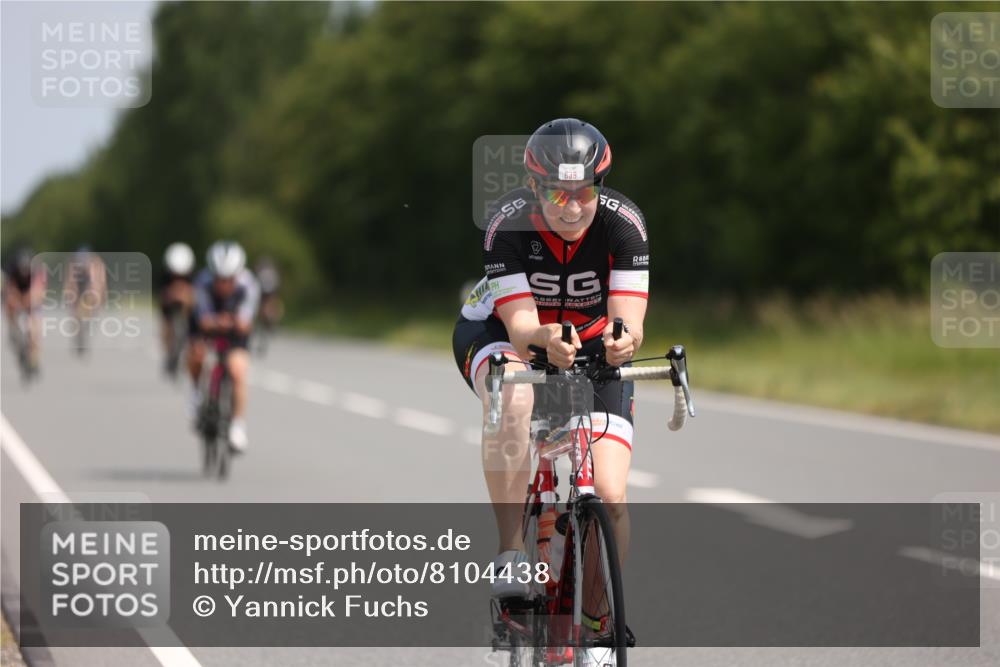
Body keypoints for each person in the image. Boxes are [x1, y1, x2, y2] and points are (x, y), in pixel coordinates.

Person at [452, 119, 647, 645]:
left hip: (586, 344)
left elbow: (629, 318)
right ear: (534, 187)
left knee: (608, 494)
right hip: (497, 332)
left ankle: (596, 622)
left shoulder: (624, 223)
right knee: (514, 392)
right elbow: (519, 331)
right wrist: (545, 339)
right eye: (557, 192)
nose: (572, 205)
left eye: (584, 191)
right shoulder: (507, 222)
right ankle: (512, 550)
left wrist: (624, 341)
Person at [187, 241, 259, 451]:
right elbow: (203, 321)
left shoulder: (249, 285)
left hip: (235, 333)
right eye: (219, 279)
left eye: (229, 279)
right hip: (207, 327)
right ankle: (195, 394)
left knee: (237, 369)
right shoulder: (201, 283)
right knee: (196, 355)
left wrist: (231, 322)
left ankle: (237, 426)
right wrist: (218, 322)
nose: (224, 285)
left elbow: (244, 324)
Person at [2, 246, 47, 375]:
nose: (24, 272)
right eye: (22, 269)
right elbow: (9, 292)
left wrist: (28, 302)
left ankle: (34, 359)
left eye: (27, 269)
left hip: (31, 295)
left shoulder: (37, 271)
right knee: (11, 317)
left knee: (35, 329)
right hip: (15, 295)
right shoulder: (11, 270)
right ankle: (15, 339)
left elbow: (38, 291)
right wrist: (16, 304)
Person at [158, 243, 196, 375]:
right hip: (169, 308)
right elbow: (162, 296)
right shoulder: (164, 276)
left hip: (186, 308)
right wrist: (170, 297)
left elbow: (195, 296)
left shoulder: (192, 277)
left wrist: (186, 298)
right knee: (166, 324)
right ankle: (169, 351)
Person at [62, 245, 107, 356]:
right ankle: (78, 333)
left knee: (92, 300)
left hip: (91, 285)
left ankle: (87, 323)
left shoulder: (96, 263)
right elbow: (70, 283)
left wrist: (99, 299)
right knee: (76, 313)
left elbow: (98, 285)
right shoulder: (73, 264)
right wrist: (70, 298)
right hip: (78, 285)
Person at [252, 256, 283, 354]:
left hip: (265, 292)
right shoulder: (272, 272)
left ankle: (269, 320)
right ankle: (271, 320)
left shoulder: (261, 272)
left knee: (265, 307)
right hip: (267, 292)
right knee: (270, 306)